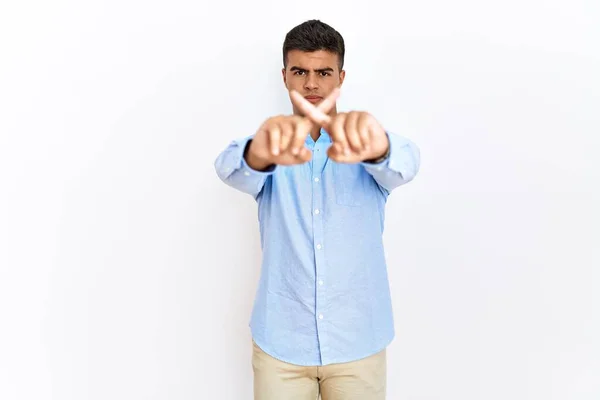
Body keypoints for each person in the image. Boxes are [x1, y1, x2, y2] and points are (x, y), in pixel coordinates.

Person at [214, 19, 420, 400]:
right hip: (282, 345)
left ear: (340, 77)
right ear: (285, 76)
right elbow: (230, 167)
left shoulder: (366, 145)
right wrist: (258, 154)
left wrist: (376, 148)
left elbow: (405, 162)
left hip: (357, 342)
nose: (311, 84)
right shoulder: (270, 146)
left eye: (323, 72)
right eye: (300, 72)